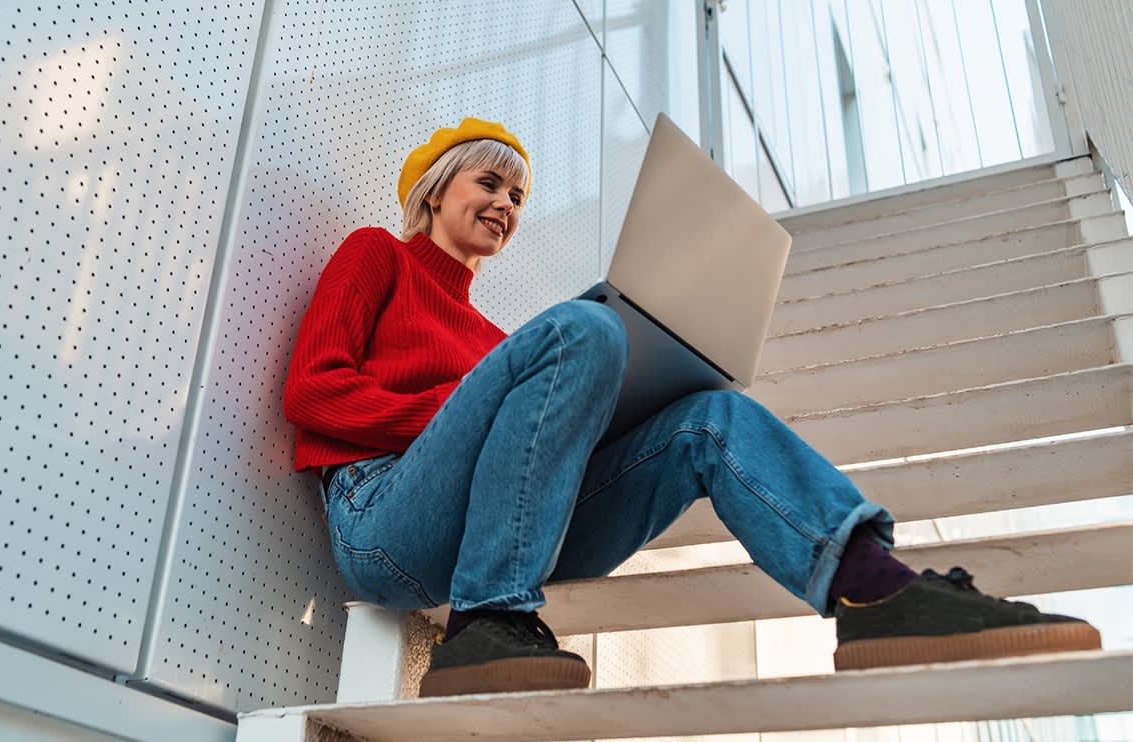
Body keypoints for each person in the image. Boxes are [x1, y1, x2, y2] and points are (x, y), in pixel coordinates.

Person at [283, 117, 1100, 698]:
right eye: (489, 182)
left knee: (711, 416)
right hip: (384, 520)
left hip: (494, 537)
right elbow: (312, 391)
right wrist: (464, 407)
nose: (507, 203)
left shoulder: (496, 338)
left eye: (519, 195)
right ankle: (487, 620)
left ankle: (875, 589)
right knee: (585, 328)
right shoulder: (378, 255)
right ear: (435, 191)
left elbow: (514, 451)